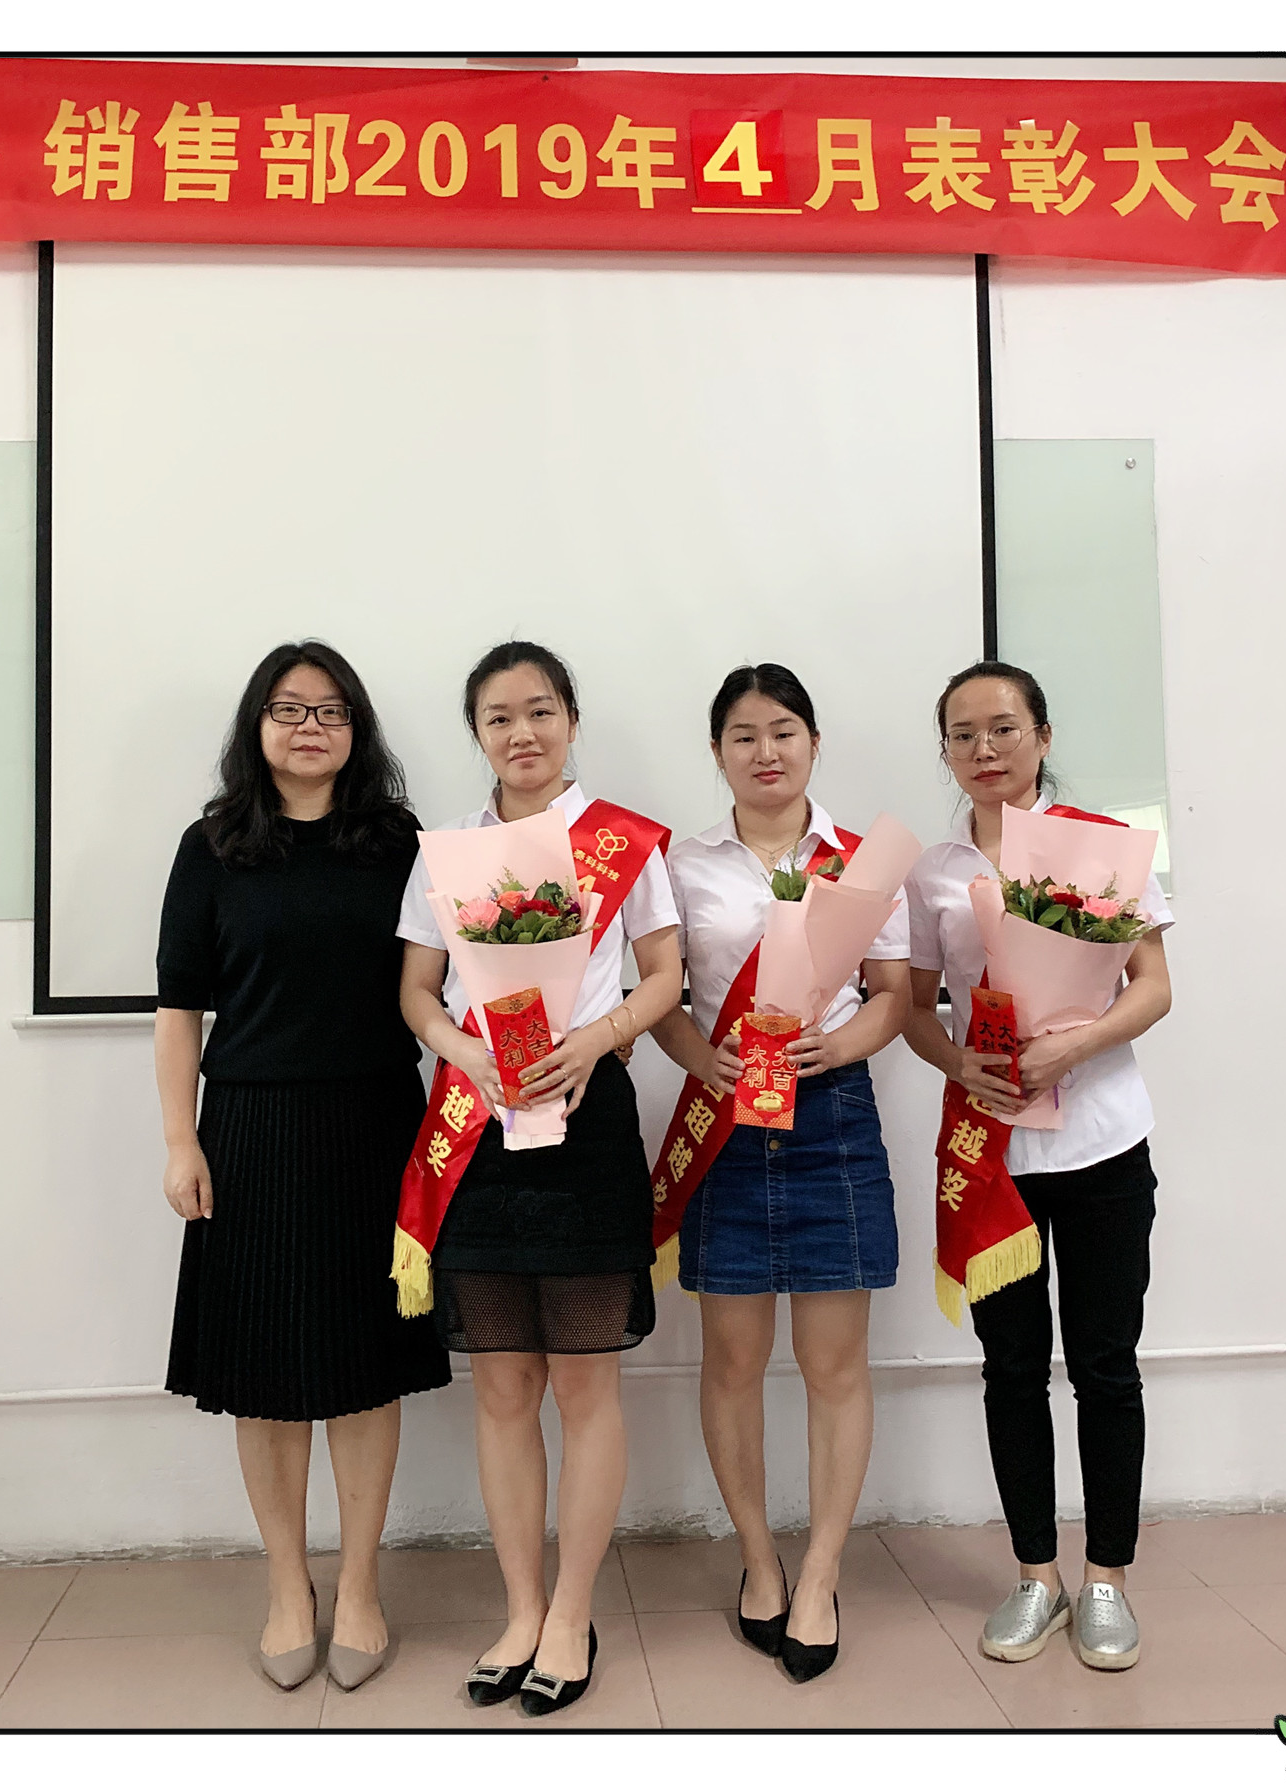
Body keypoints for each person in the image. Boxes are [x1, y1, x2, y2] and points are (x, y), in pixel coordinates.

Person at [155, 640, 451, 1694]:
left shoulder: (401, 843)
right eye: (288, 709)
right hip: (249, 1129)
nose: (309, 727)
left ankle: (359, 1584)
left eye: (330, 710)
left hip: (377, 1124)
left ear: (356, 728)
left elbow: (441, 983)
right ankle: (289, 1585)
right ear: (257, 725)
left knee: (366, 1367)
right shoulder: (212, 845)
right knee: (266, 1375)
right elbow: (179, 1007)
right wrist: (180, 1138)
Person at [396, 641, 682, 1717]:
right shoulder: (447, 851)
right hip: (477, 1126)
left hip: (586, 1120)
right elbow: (416, 991)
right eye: (499, 717)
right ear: (476, 733)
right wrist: (460, 1049)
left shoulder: (623, 840)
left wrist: (597, 1036)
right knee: (503, 1387)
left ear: (570, 720)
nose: (522, 732)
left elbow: (666, 976)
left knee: (582, 1385)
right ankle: (519, 1608)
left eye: (540, 710)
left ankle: (571, 1612)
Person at [900, 660, 1174, 1673]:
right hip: (992, 1152)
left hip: (1101, 1141)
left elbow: (1152, 984)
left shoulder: (1099, 846)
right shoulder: (932, 871)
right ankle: (1033, 1575)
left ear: (1042, 736)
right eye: (962, 733)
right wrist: (953, 1060)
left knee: (1104, 1364)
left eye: (1004, 727)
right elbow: (912, 1005)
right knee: (1010, 1368)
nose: (985, 749)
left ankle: (1105, 1580)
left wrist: (1077, 1043)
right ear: (944, 751)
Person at [648, 664, 911, 1684]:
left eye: (784, 730)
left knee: (834, 1364)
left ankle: (821, 1572)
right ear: (717, 751)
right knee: (731, 1360)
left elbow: (890, 994)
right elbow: (664, 996)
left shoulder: (858, 863)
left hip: (829, 1117)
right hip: (723, 1122)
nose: (766, 751)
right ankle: (758, 1558)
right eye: (744, 735)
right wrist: (696, 1055)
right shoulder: (679, 863)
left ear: (813, 742)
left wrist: (834, 1046)